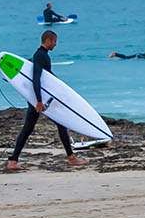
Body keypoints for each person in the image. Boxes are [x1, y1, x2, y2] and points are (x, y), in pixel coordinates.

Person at [5, 30, 85, 172]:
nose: (55, 44)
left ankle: (13, 160)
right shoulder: (41, 56)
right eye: (54, 41)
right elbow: (36, 78)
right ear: (48, 40)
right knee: (54, 125)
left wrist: (60, 85)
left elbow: (46, 77)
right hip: (40, 100)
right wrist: (39, 101)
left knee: (34, 128)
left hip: (39, 99)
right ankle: (71, 158)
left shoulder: (41, 55)